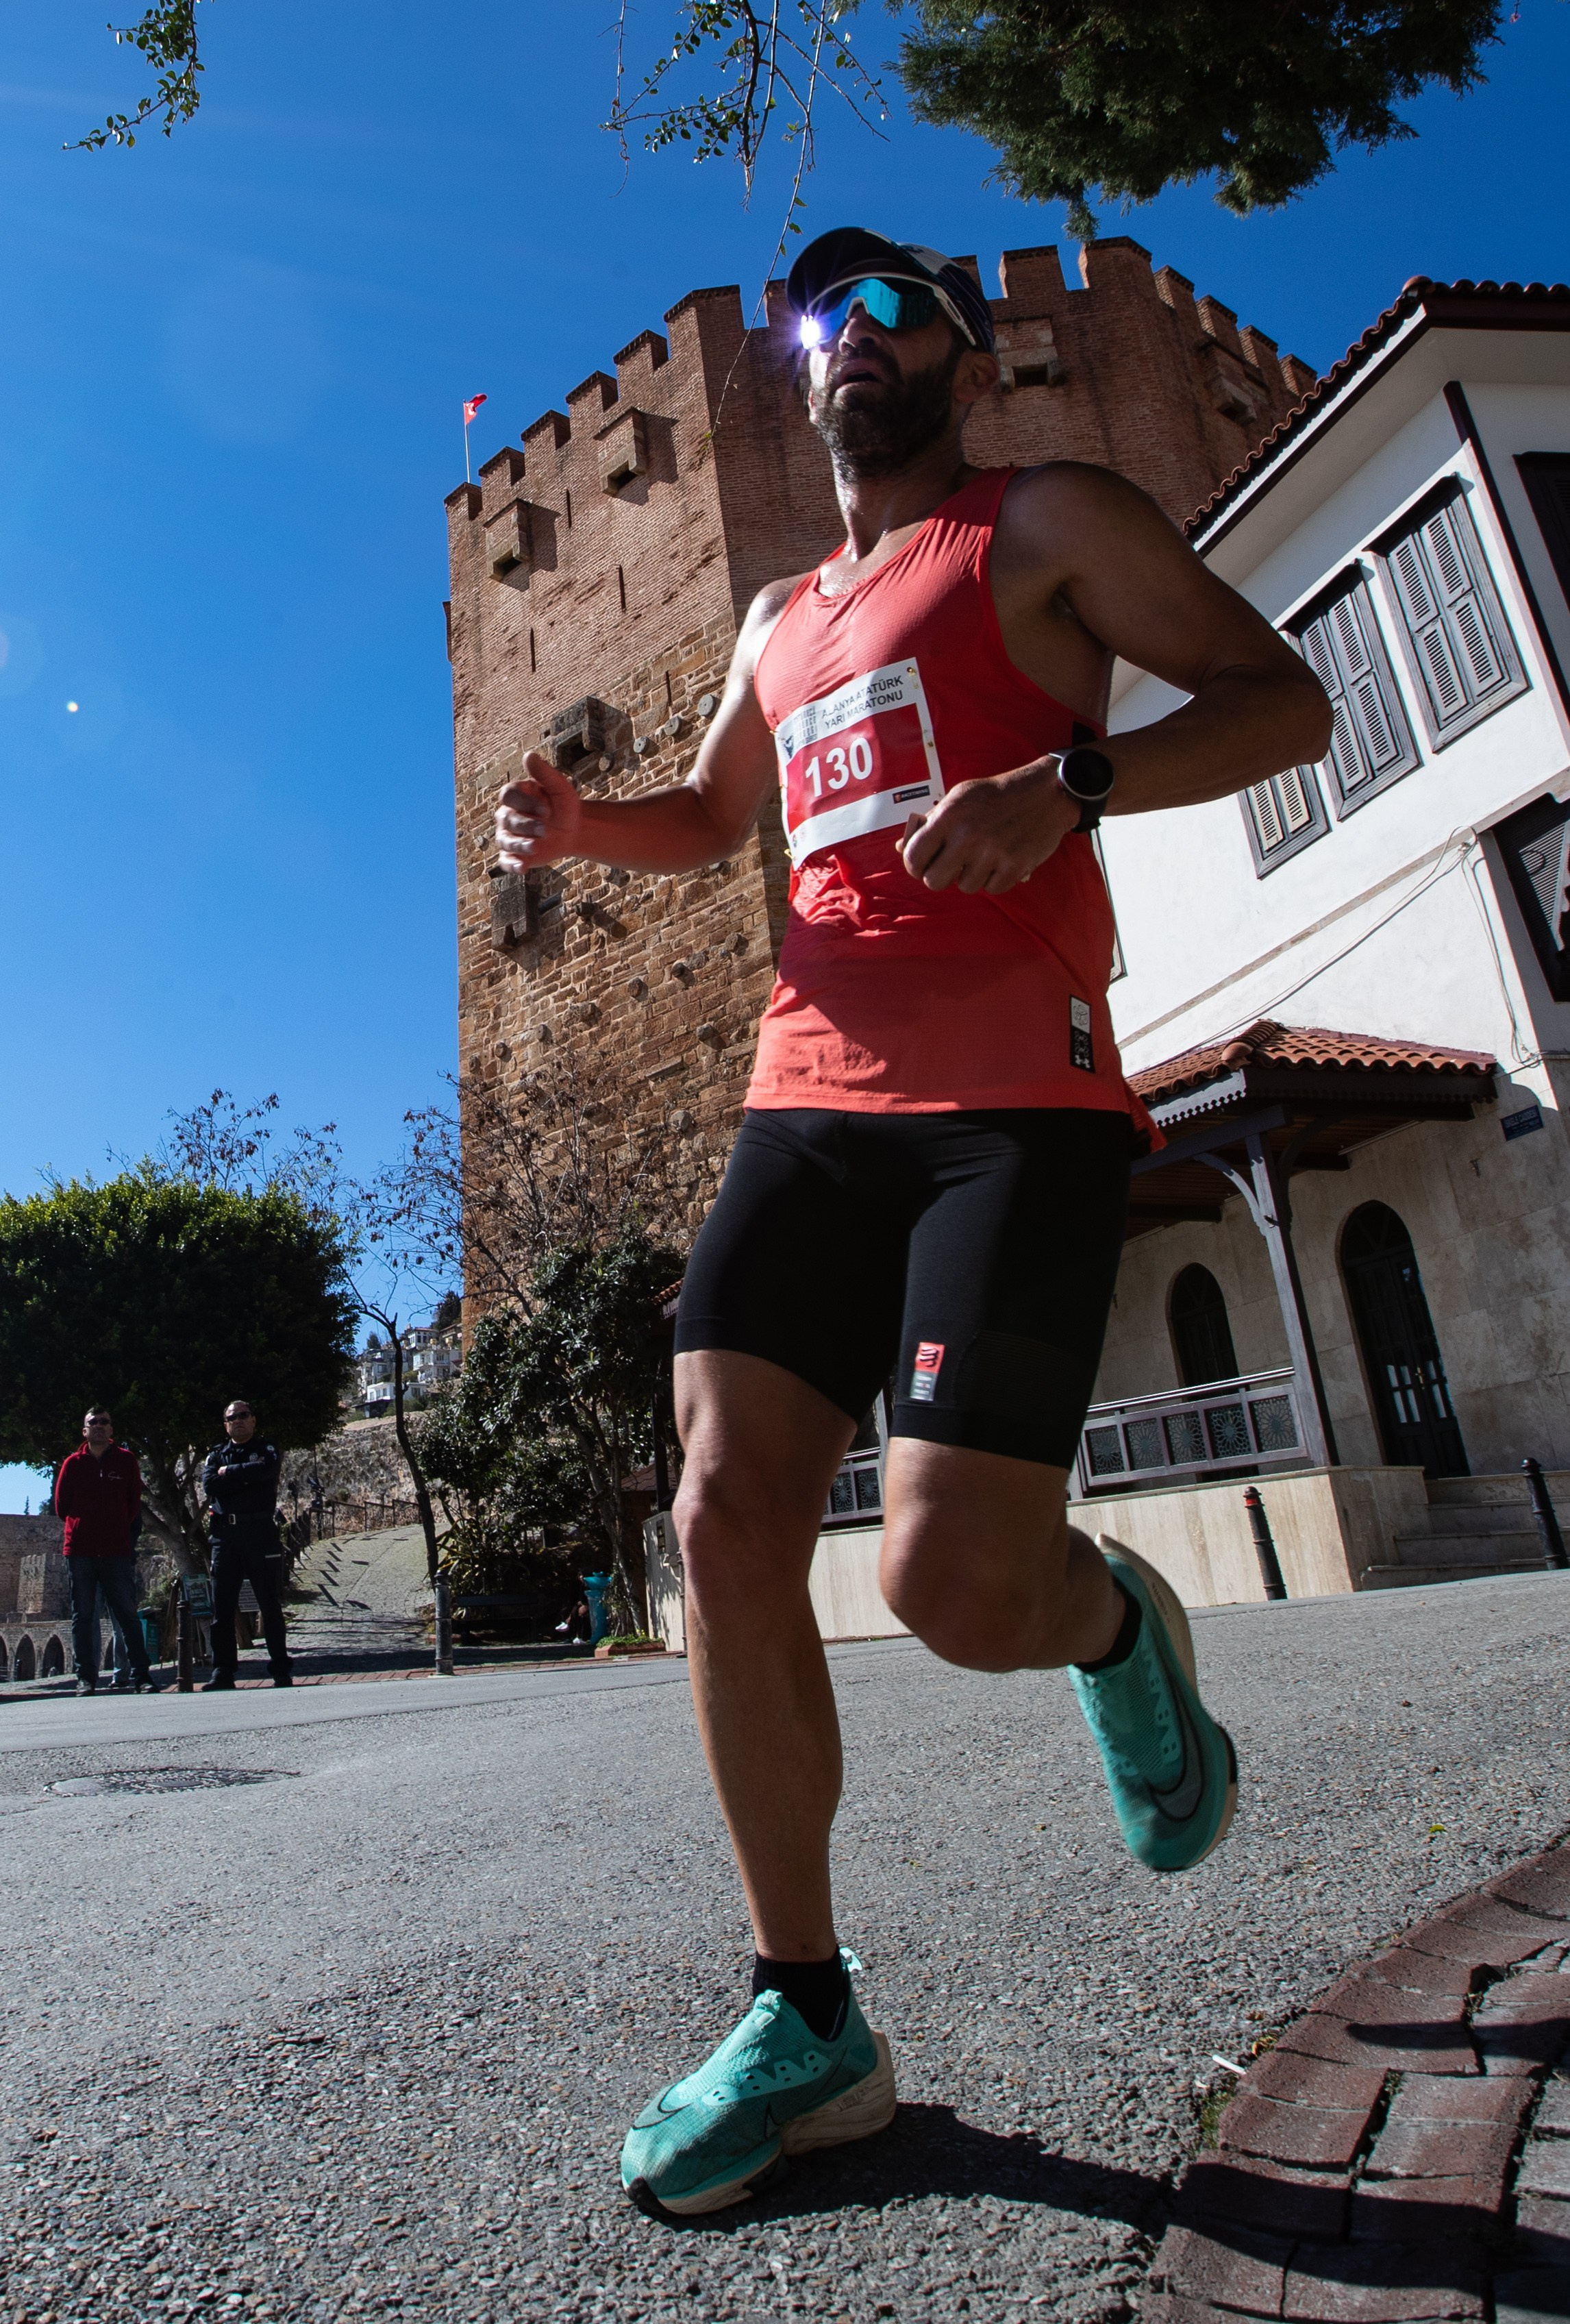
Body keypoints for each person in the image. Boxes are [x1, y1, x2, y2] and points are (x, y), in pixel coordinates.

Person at [495, 225, 1332, 2217]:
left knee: (959, 1583)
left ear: (958, 350)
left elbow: (1278, 699)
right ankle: (808, 2014)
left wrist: (1074, 777)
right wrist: (574, 827)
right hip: (807, 1088)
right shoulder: (779, 607)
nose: (843, 340)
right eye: (814, 319)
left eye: (887, 310)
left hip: (1012, 1096)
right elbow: (722, 815)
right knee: (718, 1511)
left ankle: (1113, 1622)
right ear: (795, 374)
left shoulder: (1045, 518)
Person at [54, 1408, 160, 1696]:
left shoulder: (126, 1461)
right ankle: (86, 1679)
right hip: (80, 1552)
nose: (99, 1427)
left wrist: (116, 1531)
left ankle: (142, 1676)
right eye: (93, 1423)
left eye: (104, 1422)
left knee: (127, 1614)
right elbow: (62, 1507)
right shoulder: (72, 1464)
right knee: (83, 1615)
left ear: (112, 1430)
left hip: (116, 1551)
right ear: (84, 1431)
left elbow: (132, 1504)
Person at [201, 1401, 292, 1690]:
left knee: (270, 1603)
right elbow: (210, 1485)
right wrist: (240, 1476)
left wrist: (230, 1473)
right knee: (222, 1607)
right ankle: (223, 1671)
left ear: (253, 1420)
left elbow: (264, 1471)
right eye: (232, 1417)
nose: (238, 1421)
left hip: (260, 1532)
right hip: (225, 1536)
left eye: (243, 1416)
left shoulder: (267, 1449)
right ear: (225, 1424)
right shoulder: (216, 1455)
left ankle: (280, 1669)